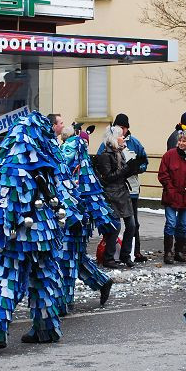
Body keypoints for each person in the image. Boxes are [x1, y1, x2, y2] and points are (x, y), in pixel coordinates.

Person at [0, 111, 83, 351]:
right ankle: (46, 329)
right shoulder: (50, 160)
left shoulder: (16, 164)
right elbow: (64, 196)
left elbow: (11, 206)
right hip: (45, 232)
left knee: (7, 278)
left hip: (21, 235)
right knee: (43, 279)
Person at [59, 126, 116, 309]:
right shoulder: (64, 172)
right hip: (64, 221)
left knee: (67, 259)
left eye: (68, 151)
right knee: (76, 259)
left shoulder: (84, 175)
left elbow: (94, 201)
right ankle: (102, 282)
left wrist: (103, 223)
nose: (64, 154)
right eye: (63, 150)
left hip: (77, 224)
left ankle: (65, 302)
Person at [98, 113, 149, 262]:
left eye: (123, 128)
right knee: (115, 226)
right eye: (118, 128)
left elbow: (143, 161)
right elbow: (108, 174)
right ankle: (110, 256)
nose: (121, 132)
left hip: (128, 190)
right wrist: (127, 168)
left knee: (133, 224)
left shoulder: (132, 143)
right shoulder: (107, 151)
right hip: (113, 192)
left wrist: (136, 167)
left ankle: (130, 254)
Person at [157, 131, 186, 264]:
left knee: (183, 226)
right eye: (180, 141)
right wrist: (170, 190)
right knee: (171, 224)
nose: (181, 143)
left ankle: (179, 251)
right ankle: (168, 252)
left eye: (184, 141)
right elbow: (163, 175)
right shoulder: (169, 156)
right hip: (171, 196)